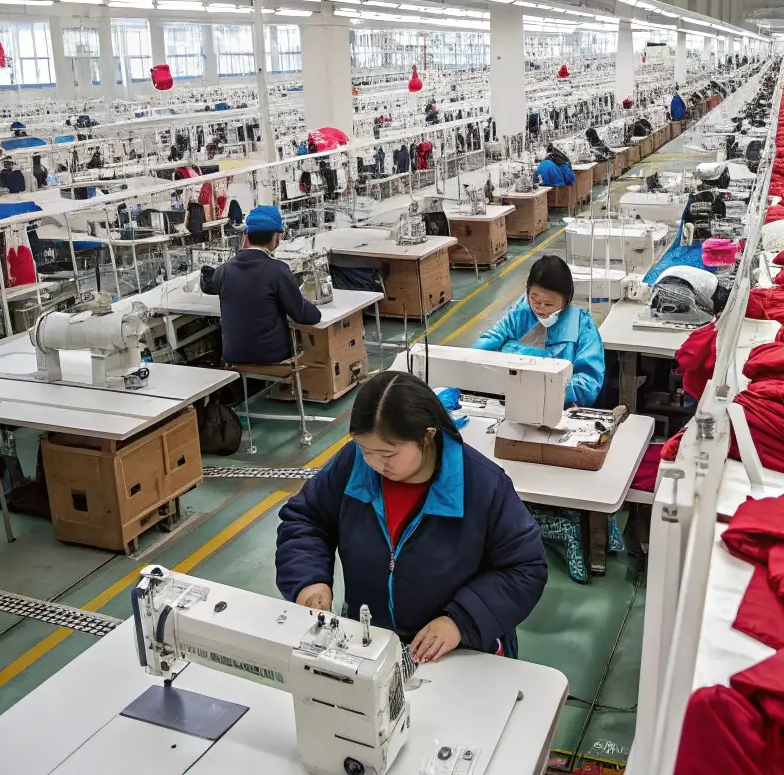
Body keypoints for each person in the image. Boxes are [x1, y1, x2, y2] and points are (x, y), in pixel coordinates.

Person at [275, 371, 548, 660]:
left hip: (459, 651)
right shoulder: (353, 466)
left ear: (427, 436)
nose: (375, 463)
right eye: (366, 449)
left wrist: (460, 621)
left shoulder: (482, 487)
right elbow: (306, 521)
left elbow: (524, 568)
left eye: (388, 454)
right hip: (371, 643)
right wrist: (309, 581)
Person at [472, 255, 605, 406]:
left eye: (548, 304)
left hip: (561, 408)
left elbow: (589, 380)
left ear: (566, 301)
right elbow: (483, 348)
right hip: (512, 402)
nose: (540, 308)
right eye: (535, 300)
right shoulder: (519, 315)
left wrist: (551, 391)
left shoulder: (582, 325)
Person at [201, 204, 321, 364]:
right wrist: (315, 308)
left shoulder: (225, 270)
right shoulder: (278, 270)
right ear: (277, 237)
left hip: (233, 355)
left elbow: (208, 283)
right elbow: (304, 315)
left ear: (246, 235)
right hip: (270, 356)